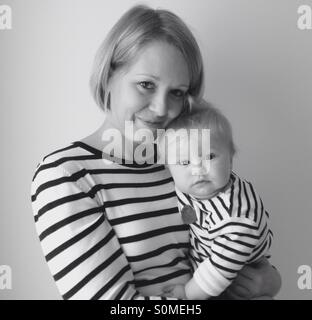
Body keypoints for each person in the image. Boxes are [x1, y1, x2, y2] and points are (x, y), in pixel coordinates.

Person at [31, 5, 281, 300]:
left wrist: (269, 281)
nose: (162, 109)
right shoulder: (66, 176)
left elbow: (236, 235)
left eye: (177, 92)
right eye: (146, 84)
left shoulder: (183, 163)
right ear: (109, 75)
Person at [158, 101, 274, 299]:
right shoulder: (189, 187)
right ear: (169, 168)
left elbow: (219, 270)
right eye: (184, 162)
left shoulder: (236, 215)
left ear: (231, 157)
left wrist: (187, 294)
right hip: (209, 264)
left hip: (235, 277)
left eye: (210, 156)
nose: (198, 169)